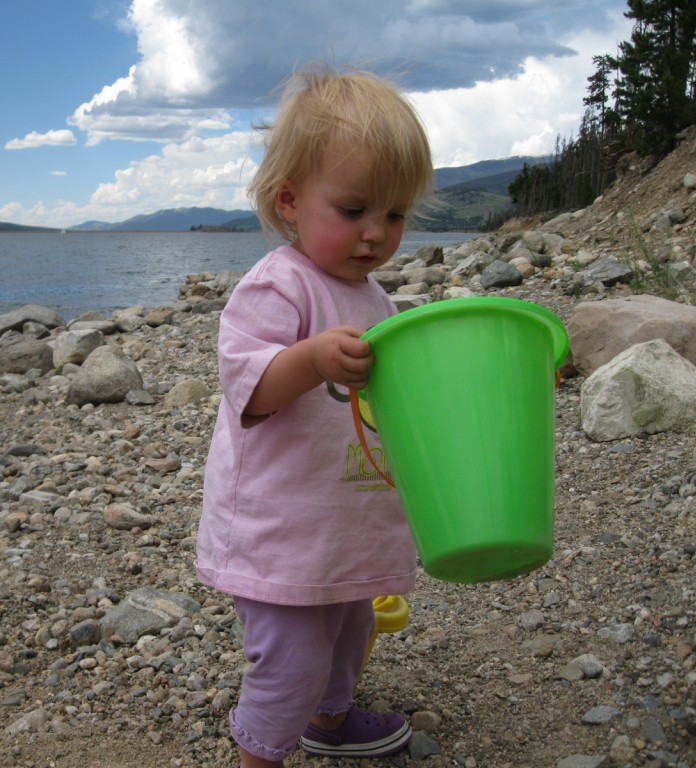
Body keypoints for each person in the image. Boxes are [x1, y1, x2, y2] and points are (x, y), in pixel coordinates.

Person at [195, 64, 434, 768]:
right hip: (282, 528)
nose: (377, 233)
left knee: (349, 628)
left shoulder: (376, 297)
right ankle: (260, 753)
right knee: (293, 657)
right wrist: (312, 359)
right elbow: (252, 386)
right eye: (355, 209)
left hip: (345, 516)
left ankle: (331, 720)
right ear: (291, 200)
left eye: (394, 215)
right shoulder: (279, 284)